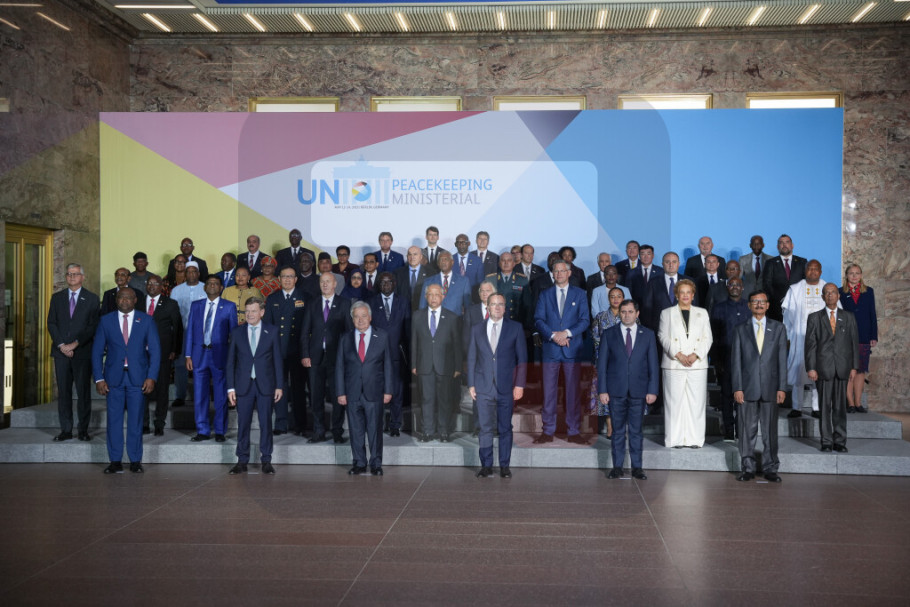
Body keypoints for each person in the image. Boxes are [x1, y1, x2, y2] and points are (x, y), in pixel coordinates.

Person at [92, 288, 160, 474]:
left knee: (136, 421)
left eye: (128, 298)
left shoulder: (146, 320)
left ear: (135, 300)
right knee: (113, 421)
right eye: (121, 297)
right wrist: (99, 378)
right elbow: (96, 352)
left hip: (138, 379)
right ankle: (115, 461)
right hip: (113, 379)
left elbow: (155, 352)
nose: (124, 300)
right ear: (116, 300)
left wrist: (151, 377)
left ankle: (135, 460)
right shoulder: (106, 320)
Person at [730, 289, 788, 483]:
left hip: (771, 387)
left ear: (768, 305)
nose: (759, 304)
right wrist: (737, 388)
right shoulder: (740, 329)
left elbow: (782, 360)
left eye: (762, 301)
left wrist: (782, 387)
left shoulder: (778, 328)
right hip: (747, 388)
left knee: (770, 432)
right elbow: (736, 362)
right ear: (749, 305)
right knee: (747, 430)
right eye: (755, 301)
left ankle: (770, 468)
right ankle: (748, 468)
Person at [598, 299, 659, 481]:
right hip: (615, 390)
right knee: (617, 431)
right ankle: (617, 467)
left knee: (636, 431)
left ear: (637, 313)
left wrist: (652, 390)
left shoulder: (647, 334)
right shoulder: (609, 334)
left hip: (639, 391)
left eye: (630, 311)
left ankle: (637, 468)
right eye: (623, 311)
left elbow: (653, 365)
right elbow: (602, 365)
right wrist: (602, 390)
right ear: (619, 313)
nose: (626, 315)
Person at [467, 293, 527, 478]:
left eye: (501, 304)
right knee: (484, 428)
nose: (497, 307)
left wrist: (520, 385)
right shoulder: (477, 329)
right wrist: (471, 384)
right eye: (494, 304)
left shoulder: (515, 328)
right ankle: (486, 466)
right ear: (487, 307)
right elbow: (471, 358)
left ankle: (504, 466)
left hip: (506, 386)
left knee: (505, 428)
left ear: (505, 307)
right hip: (483, 386)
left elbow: (522, 359)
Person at [533, 261, 590, 444]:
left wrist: (566, 333)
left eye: (562, 271)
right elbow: (538, 319)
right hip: (551, 349)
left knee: (572, 392)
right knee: (548, 392)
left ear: (569, 273)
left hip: (571, 349)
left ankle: (573, 431)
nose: (559, 274)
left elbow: (585, 320)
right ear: (552, 274)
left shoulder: (580, 294)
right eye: (556, 271)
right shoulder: (545, 294)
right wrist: (553, 336)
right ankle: (547, 431)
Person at [226, 296, 283, 475]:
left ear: (262, 312)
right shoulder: (237, 332)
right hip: (243, 386)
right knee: (243, 424)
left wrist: (279, 386)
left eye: (253, 311)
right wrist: (230, 388)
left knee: (266, 423)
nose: (250, 314)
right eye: (247, 311)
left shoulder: (272, 331)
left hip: (266, 385)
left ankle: (266, 460)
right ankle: (242, 460)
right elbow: (230, 362)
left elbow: (277, 360)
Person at [336, 301, 393, 476]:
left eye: (363, 316)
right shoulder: (345, 338)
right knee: (356, 430)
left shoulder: (381, 336)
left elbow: (388, 365)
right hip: (352, 392)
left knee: (375, 430)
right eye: (356, 317)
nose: (360, 320)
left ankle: (376, 464)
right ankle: (359, 463)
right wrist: (340, 392)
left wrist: (388, 390)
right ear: (352, 319)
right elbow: (339, 367)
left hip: (374, 392)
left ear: (370, 317)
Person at [47, 263, 100, 442]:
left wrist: (75, 344)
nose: (71, 277)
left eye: (75, 274)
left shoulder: (92, 299)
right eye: (69, 274)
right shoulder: (57, 298)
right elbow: (51, 323)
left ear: (82, 277)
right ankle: (66, 429)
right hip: (61, 352)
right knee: (64, 393)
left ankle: (83, 430)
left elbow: (93, 326)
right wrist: (62, 345)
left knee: (83, 392)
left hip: (82, 352)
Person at [805, 283, 859, 453]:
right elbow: (810, 345)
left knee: (840, 407)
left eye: (833, 292)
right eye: (826, 293)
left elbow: (854, 343)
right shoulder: (814, 318)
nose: (830, 295)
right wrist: (811, 367)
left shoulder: (848, 317)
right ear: (822, 297)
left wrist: (854, 367)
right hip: (823, 368)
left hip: (843, 367)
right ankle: (826, 441)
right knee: (824, 407)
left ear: (838, 295)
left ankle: (840, 441)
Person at [658, 278, 712, 448]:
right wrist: (678, 354)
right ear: (676, 295)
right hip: (674, 363)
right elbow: (662, 336)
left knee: (696, 403)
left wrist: (696, 355)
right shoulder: (666, 313)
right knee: (674, 403)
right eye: (682, 292)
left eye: (689, 292)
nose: (685, 295)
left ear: (693, 295)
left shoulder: (702, 313)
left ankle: (695, 439)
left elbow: (708, 338)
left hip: (697, 364)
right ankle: (674, 440)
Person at [185, 275, 237, 442]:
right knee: (200, 395)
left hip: (220, 356)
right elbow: (190, 331)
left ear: (221, 288)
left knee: (221, 396)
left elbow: (234, 335)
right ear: (204, 287)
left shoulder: (229, 306)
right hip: (199, 356)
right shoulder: (196, 305)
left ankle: (220, 431)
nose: (212, 286)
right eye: (209, 283)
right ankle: (202, 430)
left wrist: (233, 358)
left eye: (216, 283)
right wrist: (188, 355)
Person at [301, 273, 352, 444]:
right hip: (315, 357)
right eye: (322, 282)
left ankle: (337, 431)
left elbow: (349, 333)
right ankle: (319, 431)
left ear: (335, 284)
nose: (325, 284)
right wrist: (305, 354)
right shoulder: (312, 303)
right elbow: (305, 332)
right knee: (316, 396)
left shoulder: (344, 303)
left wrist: (347, 357)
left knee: (338, 395)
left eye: (328, 281)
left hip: (337, 358)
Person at [411, 284, 463, 442]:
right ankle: (427, 431)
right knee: (426, 399)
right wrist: (414, 364)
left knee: (444, 400)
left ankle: (443, 431)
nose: (433, 298)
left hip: (445, 366)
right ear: (425, 297)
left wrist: (458, 367)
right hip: (424, 365)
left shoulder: (452, 317)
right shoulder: (417, 316)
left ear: (442, 297)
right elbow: (414, 342)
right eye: (430, 294)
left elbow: (457, 345)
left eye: (436, 294)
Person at [782, 259, 830, 419]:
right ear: (805, 270)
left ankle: (817, 407)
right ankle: (797, 407)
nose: (813, 271)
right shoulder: (795, 289)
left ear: (821, 272)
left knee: (819, 371)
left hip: (822, 340)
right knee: (799, 372)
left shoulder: (828, 288)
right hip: (799, 338)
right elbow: (787, 315)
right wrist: (788, 335)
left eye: (816, 269)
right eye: (810, 268)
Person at [264, 266, 307, 436]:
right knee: (279, 386)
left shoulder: (305, 297)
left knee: (298, 388)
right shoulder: (272, 298)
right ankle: (281, 423)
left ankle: (300, 424)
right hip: (278, 350)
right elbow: (267, 327)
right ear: (279, 279)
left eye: (290, 276)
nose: (287, 279)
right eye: (284, 277)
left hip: (298, 350)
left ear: (296, 279)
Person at [369, 273, 410, 437]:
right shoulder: (371, 302)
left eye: (389, 282)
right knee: (377, 391)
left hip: (396, 353)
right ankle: (377, 424)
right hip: (376, 355)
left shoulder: (404, 302)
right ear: (378, 284)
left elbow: (407, 330)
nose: (386, 285)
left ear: (394, 283)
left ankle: (395, 425)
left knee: (397, 391)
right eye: (382, 282)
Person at [710, 277, 750, 441]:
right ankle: (728, 430)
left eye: (737, 285)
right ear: (727, 287)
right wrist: (716, 361)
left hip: (746, 361)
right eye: (731, 284)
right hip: (725, 359)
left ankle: (741, 430)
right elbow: (713, 336)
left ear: (742, 287)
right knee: (726, 396)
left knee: (743, 397)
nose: (734, 287)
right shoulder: (718, 308)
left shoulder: (749, 307)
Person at [142, 275, 182, 436]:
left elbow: (177, 328)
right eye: (149, 283)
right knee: (141, 388)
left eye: (155, 283)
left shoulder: (170, 303)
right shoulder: (138, 301)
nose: (152, 286)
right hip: (140, 353)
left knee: (162, 389)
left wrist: (175, 350)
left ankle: (159, 423)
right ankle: (144, 423)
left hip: (163, 353)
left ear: (161, 286)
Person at [840, 264, 878, 413]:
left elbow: (872, 314)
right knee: (849, 370)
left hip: (864, 335)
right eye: (851, 273)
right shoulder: (840, 292)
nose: (854, 276)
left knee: (861, 370)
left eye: (857, 273)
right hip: (846, 337)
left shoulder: (869, 291)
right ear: (846, 275)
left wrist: (873, 336)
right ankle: (849, 402)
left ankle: (858, 402)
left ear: (861, 275)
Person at [169, 260, 206, 408]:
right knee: (180, 365)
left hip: (202, 334)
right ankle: (180, 396)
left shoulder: (206, 288)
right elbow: (173, 314)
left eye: (193, 271)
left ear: (198, 273)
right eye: (188, 272)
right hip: (182, 333)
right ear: (185, 274)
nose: (191, 274)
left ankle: (200, 396)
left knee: (200, 365)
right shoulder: (176, 290)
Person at [589, 287, 625, 438]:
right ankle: (610, 427)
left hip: (625, 363)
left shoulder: (630, 315)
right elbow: (596, 339)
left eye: (618, 296)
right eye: (612, 296)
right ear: (608, 299)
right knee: (606, 393)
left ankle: (621, 426)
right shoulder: (600, 317)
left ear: (623, 298)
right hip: (605, 361)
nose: (615, 299)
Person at [643, 251, 692, 332]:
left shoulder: (689, 281)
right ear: (662, 264)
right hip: (660, 329)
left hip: (684, 329)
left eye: (674, 262)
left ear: (678, 263)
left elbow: (694, 306)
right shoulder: (653, 282)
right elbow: (647, 308)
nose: (671, 265)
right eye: (667, 262)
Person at [762, 234, 808, 321]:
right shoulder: (770, 263)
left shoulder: (802, 262)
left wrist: (795, 298)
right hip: (777, 308)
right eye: (781, 243)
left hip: (798, 306)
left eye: (787, 242)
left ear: (792, 245)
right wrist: (781, 299)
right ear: (777, 246)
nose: (784, 245)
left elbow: (806, 282)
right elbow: (767, 284)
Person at [419, 251, 472, 316]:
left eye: (446, 259)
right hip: (434, 320)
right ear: (438, 263)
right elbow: (422, 307)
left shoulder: (463, 281)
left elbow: (468, 307)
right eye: (441, 260)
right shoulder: (428, 281)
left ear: (452, 262)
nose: (443, 262)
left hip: (456, 320)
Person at [488, 251, 530, 325]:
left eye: (509, 260)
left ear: (514, 263)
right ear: (499, 263)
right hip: (495, 320)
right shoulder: (490, 279)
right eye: (503, 260)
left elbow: (527, 304)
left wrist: (527, 325)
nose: (506, 263)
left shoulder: (522, 279)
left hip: (516, 321)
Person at [395, 245, 431, 310]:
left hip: (422, 311)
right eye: (410, 254)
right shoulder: (397, 273)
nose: (412, 257)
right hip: (403, 310)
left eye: (415, 254)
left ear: (421, 257)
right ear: (407, 257)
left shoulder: (430, 273)